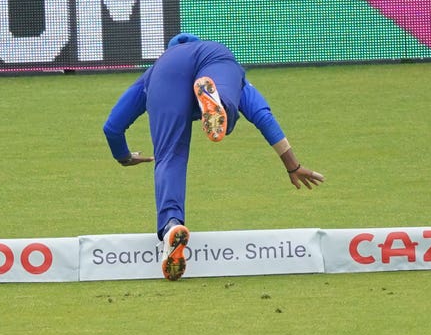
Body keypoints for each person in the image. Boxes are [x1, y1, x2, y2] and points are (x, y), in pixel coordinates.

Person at [103, 33, 324, 281]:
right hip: (213, 63)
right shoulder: (214, 53)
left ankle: (171, 226)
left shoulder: (154, 71)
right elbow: (262, 115)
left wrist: (123, 155)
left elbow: (112, 127)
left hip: (164, 77)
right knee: (227, 104)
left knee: (169, 157)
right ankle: (218, 103)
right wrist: (293, 166)